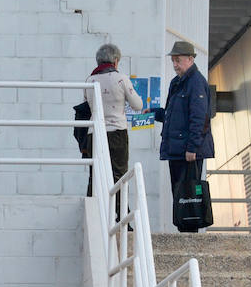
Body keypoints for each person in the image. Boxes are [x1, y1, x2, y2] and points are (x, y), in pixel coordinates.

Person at [152, 40, 214, 227]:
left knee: (189, 195)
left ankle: (190, 231)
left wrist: (192, 147)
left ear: (190, 59)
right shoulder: (177, 83)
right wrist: (155, 113)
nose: (175, 65)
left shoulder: (196, 83)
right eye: (173, 61)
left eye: (178, 60)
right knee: (180, 193)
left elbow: (200, 118)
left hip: (188, 151)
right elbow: (174, 115)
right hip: (177, 149)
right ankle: (185, 229)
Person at [85, 43, 142, 198]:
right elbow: (138, 105)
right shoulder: (121, 79)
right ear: (115, 61)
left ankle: (95, 211)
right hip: (117, 133)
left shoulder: (89, 80)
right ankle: (120, 215)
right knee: (119, 176)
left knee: (95, 175)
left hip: (94, 133)